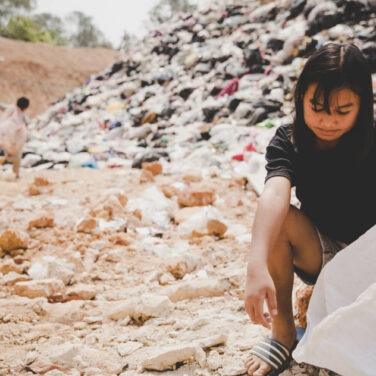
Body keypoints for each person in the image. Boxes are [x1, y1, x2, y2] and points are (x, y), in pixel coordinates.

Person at [244, 42, 375, 376]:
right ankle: (284, 332)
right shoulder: (289, 141)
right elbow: (274, 193)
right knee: (279, 220)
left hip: (371, 258)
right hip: (323, 254)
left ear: (363, 105)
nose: (328, 121)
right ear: (300, 97)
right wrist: (255, 264)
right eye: (317, 107)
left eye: (342, 111)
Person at [0, 97, 30, 178]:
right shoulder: (22, 116)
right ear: (26, 107)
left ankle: (4, 161)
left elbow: (1, 106)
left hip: (3, 133)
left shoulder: (10, 108)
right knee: (16, 156)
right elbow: (26, 125)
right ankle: (16, 174)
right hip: (14, 138)